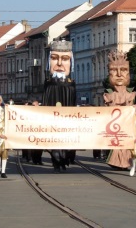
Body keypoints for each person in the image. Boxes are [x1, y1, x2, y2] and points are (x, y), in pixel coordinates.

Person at [43, 39, 76, 173]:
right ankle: (56, 161)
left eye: (65, 59)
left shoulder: (72, 85)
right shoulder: (48, 85)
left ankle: (64, 160)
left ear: (71, 63)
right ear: (48, 61)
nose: (59, 64)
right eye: (54, 58)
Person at [104, 50, 136, 169]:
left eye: (123, 70)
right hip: (114, 130)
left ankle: (126, 162)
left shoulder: (131, 93)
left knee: (126, 144)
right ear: (109, 74)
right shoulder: (109, 94)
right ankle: (116, 162)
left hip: (127, 130)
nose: (118, 74)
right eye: (113, 70)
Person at [30, 100, 43, 165]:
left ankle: (39, 160)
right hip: (32, 132)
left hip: (40, 131)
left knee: (40, 148)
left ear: (38, 105)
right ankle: (34, 160)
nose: (33, 106)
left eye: (34, 105)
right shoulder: (30, 112)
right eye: (32, 105)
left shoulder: (42, 112)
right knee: (33, 148)